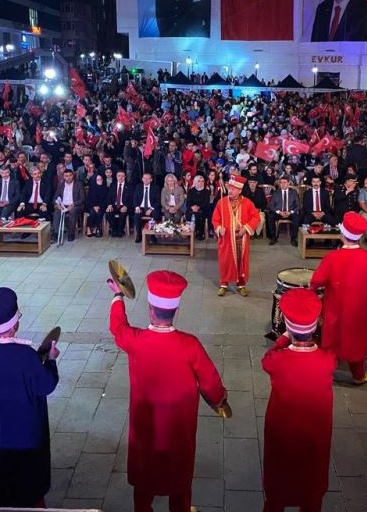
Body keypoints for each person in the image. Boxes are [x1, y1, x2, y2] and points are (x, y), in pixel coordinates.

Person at [108, 270, 229, 512]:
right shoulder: (190, 345)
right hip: (178, 431)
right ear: (176, 311)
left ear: (150, 310)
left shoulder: (136, 341)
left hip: (145, 429)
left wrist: (117, 298)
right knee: (180, 483)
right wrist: (219, 400)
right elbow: (210, 382)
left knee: (143, 485)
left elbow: (118, 327)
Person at [0, 287, 60, 508]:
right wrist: (52, 360)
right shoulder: (25, 356)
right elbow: (46, 385)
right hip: (27, 435)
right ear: (15, 324)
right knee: (29, 486)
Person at [262, 288, 336, 512]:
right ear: (317, 323)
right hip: (315, 436)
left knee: (277, 490)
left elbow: (268, 359)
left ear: (285, 321)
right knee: (312, 490)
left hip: (282, 434)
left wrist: (284, 337)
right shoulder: (328, 360)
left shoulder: (277, 361)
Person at [310, 212, 367, 385]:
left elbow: (317, 281)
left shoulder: (332, 258)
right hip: (359, 310)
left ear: (343, 235)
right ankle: (358, 375)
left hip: (336, 308)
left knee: (331, 341)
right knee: (356, 341)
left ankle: (326, 373)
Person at [212, 175, 260, 297]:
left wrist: (246, 228)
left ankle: (241, 284)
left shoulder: (248, 203)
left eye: (233, 189)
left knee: (241, 261)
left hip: (242, 239)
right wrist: (219, 228)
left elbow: (256, 217)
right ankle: (224, 284)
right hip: (226, 239)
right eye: (229, 188)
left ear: (239, 190)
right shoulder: (221, 202)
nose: (230, 191)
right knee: (225, 261)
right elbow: (215, 219)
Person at [52, 168, 84, 242]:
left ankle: (71, 233)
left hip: (75, 205)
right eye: (66, 176)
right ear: (63, 176)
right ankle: (56, 233)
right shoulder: (61, 184)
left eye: (70, 175)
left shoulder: (78, 184)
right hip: (63, 205)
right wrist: (57, 204)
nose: (68, 177)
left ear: (73, 176)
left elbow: (82, 198)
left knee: (72, 211)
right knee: (57, 211)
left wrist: (73, 204)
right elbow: (55, 197)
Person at [267, 176, 300, 246]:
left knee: (296, 218)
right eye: (281, 183)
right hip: (279, 212)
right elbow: (271, 205)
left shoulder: (293, 192)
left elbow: (298, 205)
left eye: (284, 182)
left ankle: (293, 238)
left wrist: (290, 212)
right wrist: (279, 212)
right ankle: (273, 237)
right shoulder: (276, 192)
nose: (282, 184)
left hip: (290, 212)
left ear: (288, 183)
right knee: (270, 216)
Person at [132, 171, 160, 243]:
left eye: (148, 178)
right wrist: (137, 207)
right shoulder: (138, 187)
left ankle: (152, 235)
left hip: (151, 207)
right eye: (144, 178)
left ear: (151, 180)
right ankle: (139, 234)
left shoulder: (155, 187)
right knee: (136, 215)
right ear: (142, 179)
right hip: (141, 207)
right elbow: (134, 198)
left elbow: (158, 200)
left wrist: (151, 209)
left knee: (155, 214)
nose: (146, 180)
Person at [106, 169, 133, 238]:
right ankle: (114, 230)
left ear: (125, 177)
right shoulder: (113, 185)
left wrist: (126, 206)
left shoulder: (129, 186)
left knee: (123, 213)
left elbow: (131, 199)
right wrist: (109, 205)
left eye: (122, 176)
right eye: (119, 176)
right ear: (116, 176)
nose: (120, 178)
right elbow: (108, 196)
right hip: (114, 205)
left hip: (124, 205)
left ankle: (120, 231)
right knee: (108, 212)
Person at [185, 174, 209, 240]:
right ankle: (189, 232)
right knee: (189, 214)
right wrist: (192, 207)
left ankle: (200, 233)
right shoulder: (190, 191)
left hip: (202, 209)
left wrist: (198, 207)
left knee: (200, 214)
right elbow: (188, 202)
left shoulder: (206, 192)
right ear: (195, 182)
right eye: (199, 181)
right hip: (191, 209)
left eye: (202, 181)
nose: (201, 183)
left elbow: (206, 202)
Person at [85, 173, 109, 238]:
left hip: (102, 206)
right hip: (91, 206)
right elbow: (89, 200)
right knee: (92, 212)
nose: (100, 180)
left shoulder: (105, 188)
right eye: (98, 180)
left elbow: (106, 200)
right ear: (94, 180)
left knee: (99, 212)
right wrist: (94, 206)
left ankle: (96, 228)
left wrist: (99, 206)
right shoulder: (92, 188)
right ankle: (89, 228)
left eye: (101, 179)